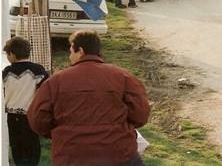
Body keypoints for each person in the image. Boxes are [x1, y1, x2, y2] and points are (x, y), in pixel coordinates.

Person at [27, 30, 151, 166]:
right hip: (118, 154)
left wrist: (60, 134)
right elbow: (141, 114)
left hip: (71, 155)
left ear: (80, 51)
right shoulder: (124, 77)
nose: (69, 57)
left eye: (71, 52)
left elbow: (37, 119)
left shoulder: (55, 82)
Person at [3, 37, 48, 166]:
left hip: (11, 116)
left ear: (12, 54)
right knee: (32, 146)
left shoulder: (6, 72)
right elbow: (45, 91)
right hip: (31, 115)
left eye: (7, 54)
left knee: (17, 147)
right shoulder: (38, 70)